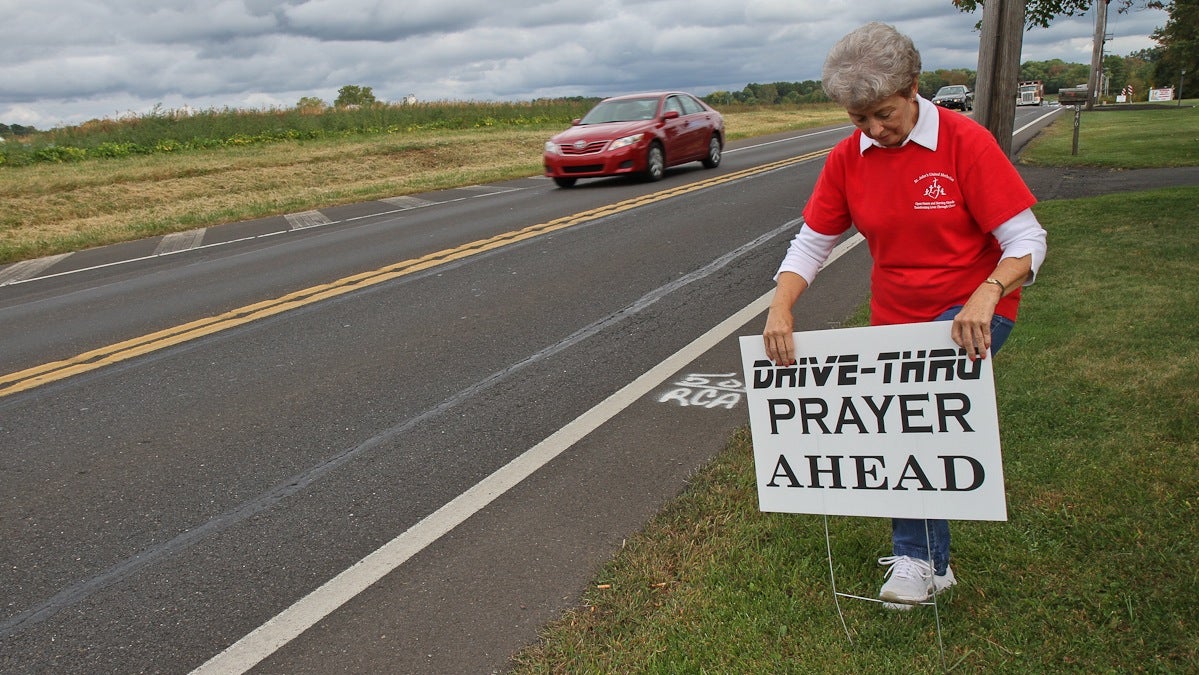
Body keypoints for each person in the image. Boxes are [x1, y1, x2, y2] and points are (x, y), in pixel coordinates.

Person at [762, 22, 1047, 609]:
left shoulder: (965, 143)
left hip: (974, 306)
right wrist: (780, 308)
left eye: (884, 114)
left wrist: (988, 292)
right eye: (858, 119)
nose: (874, 130)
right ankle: (935, 561)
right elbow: (812, 243)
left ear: (914, 88)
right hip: (896, 315)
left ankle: (915, 560)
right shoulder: (848, 159)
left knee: (907, 425)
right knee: (912, 428)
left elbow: (1027, 240)